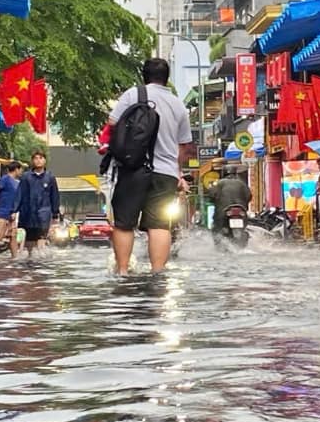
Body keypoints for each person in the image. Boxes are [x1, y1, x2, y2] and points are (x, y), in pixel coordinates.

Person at [105, 56, 194, 273]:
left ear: (144, 76)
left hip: (132, 168)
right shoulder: (178, 104)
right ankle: (157, 271)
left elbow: (112, 123)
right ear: (167, 78)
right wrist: (178, 172)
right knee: (159, 225)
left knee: (124, 223)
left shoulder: (133, 94)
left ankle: (123, 271)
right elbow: (183, 145)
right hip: (165, 174)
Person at [16, 151, 61, 254]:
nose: (38, 160)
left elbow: (54, 196)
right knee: (29, 244)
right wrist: (14, 211)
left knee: (41, 240)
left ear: (45, 160)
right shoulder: (26, 177)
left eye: (40, 158)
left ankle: (41, 262)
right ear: (32, 161)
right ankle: (30, 260)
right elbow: (20, 194)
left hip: (44, 214)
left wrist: (55, 213)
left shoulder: (50, 177)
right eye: (36, 158)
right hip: (28, 214)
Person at [208, 165, 251, 240]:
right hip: (241, 209)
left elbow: (212, 195)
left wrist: (214, 200)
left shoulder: (219, 183)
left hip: (223, 210)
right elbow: (249, 196)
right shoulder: (242, 183)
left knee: (217, 228)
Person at [0, 161, 22, 257]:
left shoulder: (16, 183)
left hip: (11, 213)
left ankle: (15, 258)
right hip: (2, 212)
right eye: (20, 170)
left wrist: (15, 211)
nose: (21, 172)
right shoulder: (6, 178)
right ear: (16, 169)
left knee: (13, 237)